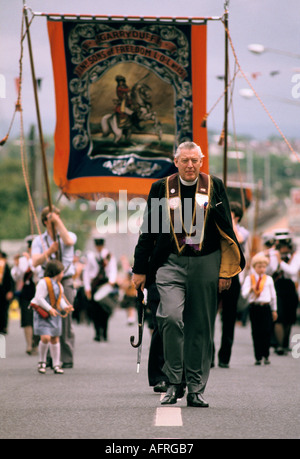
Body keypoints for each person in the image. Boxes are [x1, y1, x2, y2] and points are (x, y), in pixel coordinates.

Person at [132, 141, 245, 407]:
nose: (190, 165)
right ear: (176, 162)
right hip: (171, 263)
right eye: (185, 160)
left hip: (206, 262)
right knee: (170, 318)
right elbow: (149, 230)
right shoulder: (161, 188)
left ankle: (195, 387)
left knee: (200, 327)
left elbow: (226, 229)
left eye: (195, 160)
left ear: (201, 161)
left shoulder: (214, 185)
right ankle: (173, 382)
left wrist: (226, 270)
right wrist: (140, 269)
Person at [31, 206, 77, 368]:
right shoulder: (39, 241)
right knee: (47, 316)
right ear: (45, 222)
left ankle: (66, 356)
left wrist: (56, 220)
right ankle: (50, 357)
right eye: (53, 220)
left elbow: (69, 241)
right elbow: (35, 261)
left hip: (65, 280)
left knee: (65, 317)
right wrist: (49, 251)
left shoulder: (67, 235)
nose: (57, 222)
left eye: (59, 218)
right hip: (47, 281)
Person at [215, 201, 250, 368]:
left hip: (233, 274)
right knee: (209, 315)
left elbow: (238, 238)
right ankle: (208, 353)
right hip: (215, 272)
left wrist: (232, 223)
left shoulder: (242, 231)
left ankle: (225, 356)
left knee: (229, 316)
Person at [30, 260, 73, 374]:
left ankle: (56, 363)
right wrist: (49, 309)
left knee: (55, 338)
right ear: (56, 272)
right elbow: (39, 298)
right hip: (43, 314)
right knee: (45, 337)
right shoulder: (43, 283)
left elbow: (60, 300)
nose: (63, 275)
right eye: (62, 272)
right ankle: (42, 361)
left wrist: (65, 307)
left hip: (53, 314)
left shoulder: (59, 285)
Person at [241, 253, 277, 365]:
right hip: (255, 307)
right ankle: (258, 356)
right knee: (256, 332)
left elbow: (273, 296)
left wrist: (274, 309)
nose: (262, 269)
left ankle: (266, 354)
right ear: (254, 267)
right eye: (259, 266)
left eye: (264, 267)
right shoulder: (249, 279)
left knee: (266, 331)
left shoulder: (269, 279)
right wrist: (251, 289)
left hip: (265, 307)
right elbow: (244, 294)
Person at [83, 238, 118, 342]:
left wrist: (112, 281)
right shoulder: (91, 256)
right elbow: (87, 272)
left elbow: (113, 269)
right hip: (95, 284)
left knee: (105, 310)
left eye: (100, 245)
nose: (98, 247)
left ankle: (105, 332)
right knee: (94, 311)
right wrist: (87, 287)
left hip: (105, 284)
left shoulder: (109, 256)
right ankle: (97, 332)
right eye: (97, 245)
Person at [11, 235, 41, 354]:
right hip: (26, 291)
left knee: (38, 318)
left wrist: (30, 260)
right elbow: (16, 275)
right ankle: (29, 344)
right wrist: (17, 264)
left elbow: (37, 271)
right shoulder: (22, 261)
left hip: (38, 289)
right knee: (26, 319)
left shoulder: (39, 258)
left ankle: (36, 343)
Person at [271, 236, 300, 355]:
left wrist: (280, 262)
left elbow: (292, 271)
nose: (284, 249)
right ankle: (279, 346)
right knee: (279, 316)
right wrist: (274, 259)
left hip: (290, 287)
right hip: (278, 287)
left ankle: (285, 343)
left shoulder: (296, 256)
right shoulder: (274, 255)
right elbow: (271, 270)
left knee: (289, 317)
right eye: (281, 247)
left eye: (286, 247)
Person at [0, 251, 14, 335]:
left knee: (4, 310)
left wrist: (10, 291)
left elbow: (10, 280)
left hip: (4, 292)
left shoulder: (5, 266)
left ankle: (3, 327)